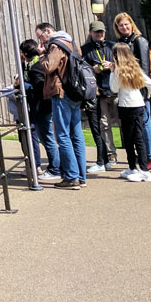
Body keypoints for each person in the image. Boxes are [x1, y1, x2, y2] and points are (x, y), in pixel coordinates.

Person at [113, 12, 151, 171]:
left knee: (145, 124)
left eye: (126, 24)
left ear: (131, 24)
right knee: (142, 125)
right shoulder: (122, 42)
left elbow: (145, 68)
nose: (124, 27)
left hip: (139, 88)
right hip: (128, 89)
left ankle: (150, 157)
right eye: (121, 25)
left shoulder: (139, 40)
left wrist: (144, 93)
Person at [42, 30, 88, 189]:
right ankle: (81, 176)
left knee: (62, 135)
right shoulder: (74, 44)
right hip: (75, 93)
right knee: (77, 134)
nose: (41, 40)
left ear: (49, 32)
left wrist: (42, 55)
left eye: (42, 36)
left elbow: (49, 67)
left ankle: (71, 177)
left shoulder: (56, 46)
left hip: (62, 93)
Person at [109, 43, 151, 182]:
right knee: (131, 138)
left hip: (127, 106)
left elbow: (114, 89)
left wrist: (112, 72)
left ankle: (144, 171)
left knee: (133, 139)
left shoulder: (118, 71)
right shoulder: (137, 69)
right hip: (138, 105)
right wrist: (147, 96)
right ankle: (132, 168)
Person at [15, 38, 58, 180]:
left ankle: (55, 168)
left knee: (47, 138)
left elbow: (38, 87)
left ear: (25, 53)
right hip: (40, 106)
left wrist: (24, 86)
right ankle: (54, 167)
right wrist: (21, 65)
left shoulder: (35, 67)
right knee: (46, 137)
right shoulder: (33, 64)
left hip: (42, 106)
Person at [81, 21, 119, 173]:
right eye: (96, 32)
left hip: (116, 90)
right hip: (99, 91)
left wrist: (112, 65)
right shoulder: (85, 49)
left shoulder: (113, 46)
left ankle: (133, 156)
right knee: (104, 125)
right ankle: (111, 155)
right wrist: (93, 69)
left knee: (125, 123)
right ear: (90, 32)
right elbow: (82, 70)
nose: (99, 34)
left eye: (101, 32)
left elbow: (125, 63)